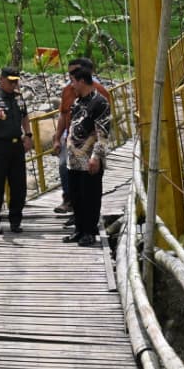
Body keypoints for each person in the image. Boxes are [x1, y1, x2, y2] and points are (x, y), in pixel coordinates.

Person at [52, 57, 109, 214]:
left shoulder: (100, 95)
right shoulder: (69, 94)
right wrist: (58, 138)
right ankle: (71, 204)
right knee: (67, 170)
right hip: (72, 144)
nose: (71, 79)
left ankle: (88, 228)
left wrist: (96, 155)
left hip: (90, 147)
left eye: (74, 74)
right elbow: (64, 116)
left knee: (89, 187)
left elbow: (103, 127)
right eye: (70, 74)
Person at [63, 66, 110, 248]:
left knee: (90, 196)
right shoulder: (77, 103)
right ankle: (79, 229)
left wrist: (96, 157)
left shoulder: (100, 102)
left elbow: (103, 133)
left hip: (90, 159)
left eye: (73, 81)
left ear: (82, 81)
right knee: (76, 196)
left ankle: (89, 232)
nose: (71, 86)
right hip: (74, 160)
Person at [0, 65, 32, 234]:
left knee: (19, 185)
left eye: (16, 81)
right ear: (1, 80)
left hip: (16, 145)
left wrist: (29, 135)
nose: (14, 85)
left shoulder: (18, 98)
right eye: (10, 82)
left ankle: (15, 221)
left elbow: (24, 116)